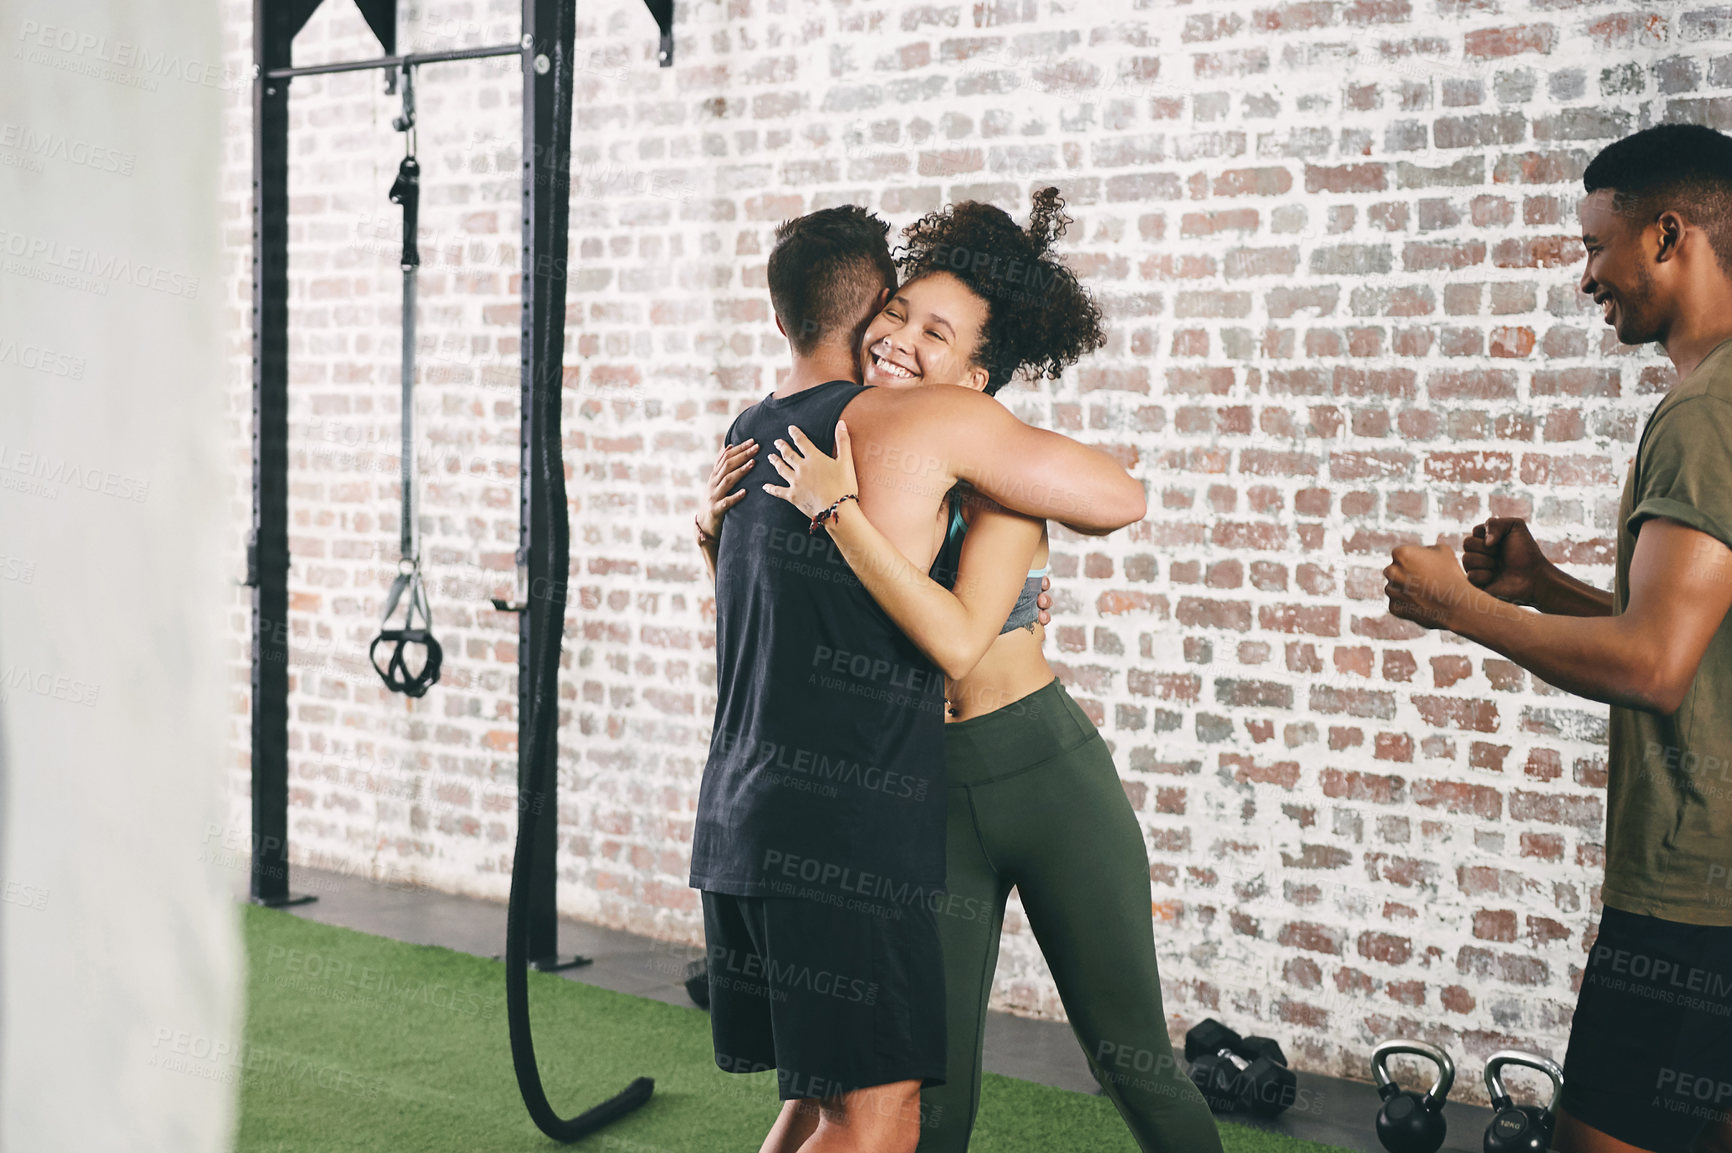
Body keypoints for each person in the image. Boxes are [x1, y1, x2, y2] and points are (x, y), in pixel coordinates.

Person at [705, 190, 1222, 1153]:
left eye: (934, 333)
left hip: (1043, 771)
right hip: (926, 792)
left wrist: (839, 513)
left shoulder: (993, 471)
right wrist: (722, 534)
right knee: (923, 1097)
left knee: (1135, 1064)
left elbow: (977, 621)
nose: (898, 338)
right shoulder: (853, 441)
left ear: (977, 376)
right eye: (895, 312)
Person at [1382, 124, 1732, 1153]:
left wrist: (1462, 607)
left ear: (1666, 234)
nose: (1586, 278)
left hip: (1691, 890)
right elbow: (1693, 639)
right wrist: (1541, 588)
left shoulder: (1704, 415)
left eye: (1595, 245)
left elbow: (1657, 669)